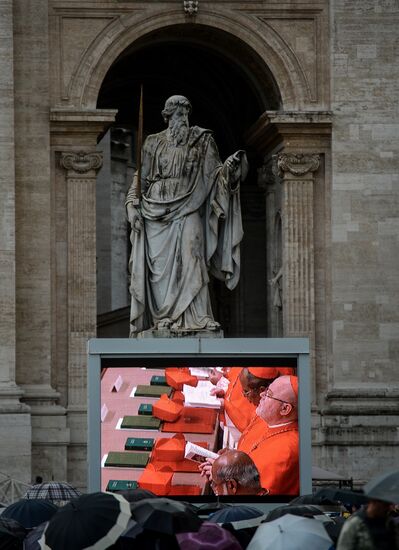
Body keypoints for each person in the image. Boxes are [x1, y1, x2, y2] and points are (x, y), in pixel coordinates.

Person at [126, 95, 248, 336]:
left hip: (191, 205)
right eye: (177, 114)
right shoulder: (152, 143)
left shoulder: (202, 141)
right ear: (167, 116)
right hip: (156, 212)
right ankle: (164, 317)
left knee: (193, 254)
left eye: (185, 113)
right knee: (160, 268)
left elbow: (214, 175)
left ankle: (199, 316)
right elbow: (140, 180)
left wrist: (229, 170)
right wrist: (131, 207)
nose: (183, 119)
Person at [250, 374, 299, 495]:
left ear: (285, 409)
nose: (261, 395)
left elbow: (255, 493)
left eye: (268, 394)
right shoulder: (269, 421)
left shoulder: (286, 451)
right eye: (266, 390)